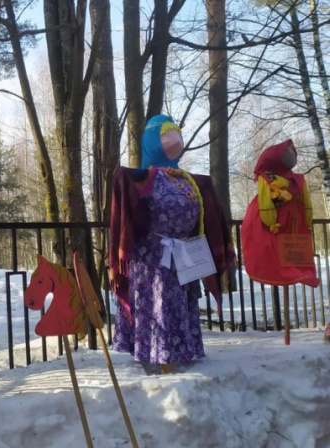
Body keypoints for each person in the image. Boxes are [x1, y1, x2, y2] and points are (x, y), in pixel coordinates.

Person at [108, 115, 234, 374]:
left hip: (184, 255)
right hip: (152, 260)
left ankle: (183, 349)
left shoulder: (187, 179)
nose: (174, 138)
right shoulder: (141, 179)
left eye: (176, 132)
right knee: (159, 302)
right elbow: (128, 216)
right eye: (166, 134)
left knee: (181, 301)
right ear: (152, 141)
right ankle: (160, 354)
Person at [241, 140, 319, 288]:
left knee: (273, 250)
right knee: (292, 251)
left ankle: (283, 273)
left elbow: (266, 205)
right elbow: (307, 205)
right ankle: (294, 273)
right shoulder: (298, 180)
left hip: (277, 221)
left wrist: (271, 222)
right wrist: (306, 222)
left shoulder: (267, 177)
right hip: (296, 221)